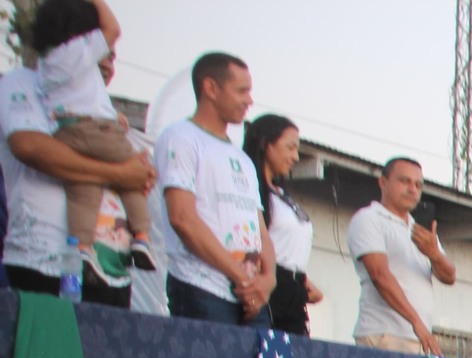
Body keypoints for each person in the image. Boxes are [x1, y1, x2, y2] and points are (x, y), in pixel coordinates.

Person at [0, 34, 150, 306]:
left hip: (113, 271)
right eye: (99, 51)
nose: (108, 63)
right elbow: (30, 147)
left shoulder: (104, 109)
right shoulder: (24, 81)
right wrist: (121, 175)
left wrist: (141, 175)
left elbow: (135, 174)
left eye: (113, 57)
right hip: (51, 266)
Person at [26, 0, 154, 284]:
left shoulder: (47, 63)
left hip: (67, 131)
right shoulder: (77, 51)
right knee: (136, 171)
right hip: (97, 129)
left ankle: (82, 247)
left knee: (84, 189)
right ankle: (143, 237)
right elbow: (114, 28)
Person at [156, 52, 273, 326]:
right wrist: (241, 276)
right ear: (210, 88)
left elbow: (259, 229)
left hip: (251, 297)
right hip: (201, 288)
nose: (249, 101)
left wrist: (268, 280)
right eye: (241, 91)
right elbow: (182, 219)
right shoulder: (181, 138)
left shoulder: (243, 159)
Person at [347, 156, 455, 355]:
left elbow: (449, 277)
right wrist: (416, 322)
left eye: (418, 185)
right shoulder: (369, 219)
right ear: (383, 182)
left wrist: (435, 255)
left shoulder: (420, 230)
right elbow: (380, 276)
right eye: (404, 181)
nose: (412, 189)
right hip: (384, 333)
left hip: (419, 338)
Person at [243, 114, 321, 335]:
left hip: (294, 290)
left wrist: (304, 283)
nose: (295, 157)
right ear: (265, 144)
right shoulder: (253, 192)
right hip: (269, 287)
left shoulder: (282, 195)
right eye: (290, 148)